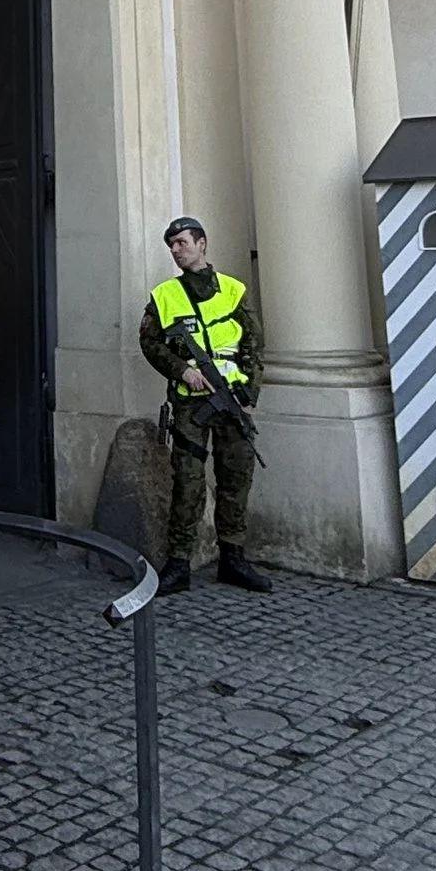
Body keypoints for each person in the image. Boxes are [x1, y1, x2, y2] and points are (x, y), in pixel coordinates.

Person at [139, 216, 272, 593]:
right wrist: (182, 371)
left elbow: (253, 345)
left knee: (236, 480)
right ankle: (178, 562)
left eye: (182, 243)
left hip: (232, 401)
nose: (176, 251)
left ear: (202, 243)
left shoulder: (232, 289)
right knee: (188, 483)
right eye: (172, 246)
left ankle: (232, 557)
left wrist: (249, 397)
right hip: (188, 405)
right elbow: (150, 343)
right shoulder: (164, 295)